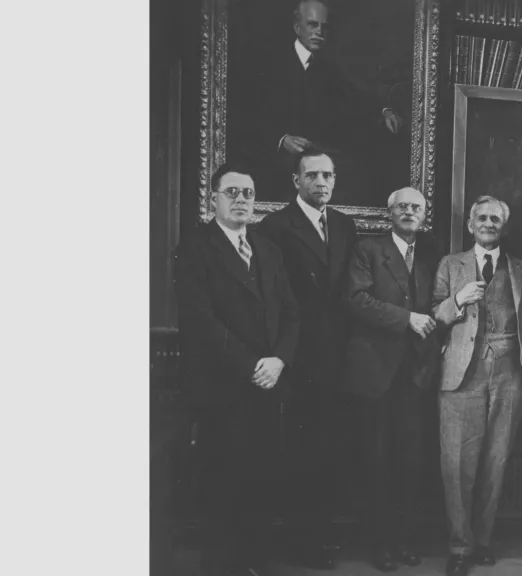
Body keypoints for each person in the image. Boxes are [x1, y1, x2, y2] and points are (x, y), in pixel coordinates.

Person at [174, 162, 300, 576]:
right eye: (233, 192)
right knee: (221, 479)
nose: (242, 200)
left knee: (260, 477)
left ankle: (253, 561)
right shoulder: (195, 246)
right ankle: (222, 564)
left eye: (248, 193)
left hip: (267, 385)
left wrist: (279, 359)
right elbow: (200, 320)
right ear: (214, 198)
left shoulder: (267, 249)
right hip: (221, 388)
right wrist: (251, 365)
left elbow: (291, 314)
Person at [256, 148, 358, 569]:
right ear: (296, 181)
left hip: (338, 357)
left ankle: (320, 537)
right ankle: (297, 543)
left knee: (329, 448)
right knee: (297, 450)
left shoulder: (344, 224)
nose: (322, 183)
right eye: (313, 175)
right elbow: (272, 296)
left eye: (328, 175)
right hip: (296, 357)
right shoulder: (275, 226)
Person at [431, 196, 522, 576]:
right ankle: (460, 546)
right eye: (482, 217)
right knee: (456, 465)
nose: (489, 223)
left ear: (504, 227)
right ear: (470, 224)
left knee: (496, 461)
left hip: (511, 375)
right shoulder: (450, 264)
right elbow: (433, 316)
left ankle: (483, 541)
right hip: (461, 374)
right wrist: (457, 301)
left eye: (496, 218)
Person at [344, 187, 441, 572]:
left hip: (416, 374)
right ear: (390, 213)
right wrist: (407, 319)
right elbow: (356, 300)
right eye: (402, 206)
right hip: (376, 373)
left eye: (416, 207)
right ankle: (379, 545)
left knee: (410, 462)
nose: (409, 212)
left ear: (424, 214)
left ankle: (402, 541)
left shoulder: (432, 252)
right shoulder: (367, 250)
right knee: (376, 461)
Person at [257, 0, 403, 200]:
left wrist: (384, 110)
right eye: (312, 24)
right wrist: (282, 139)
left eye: (324, 27)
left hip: (318, 157)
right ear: (297, 27)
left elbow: (357, 95)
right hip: (277, 161)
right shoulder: (271, 63)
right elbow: (250, 115)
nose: (319, 32)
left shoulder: (328, 67)